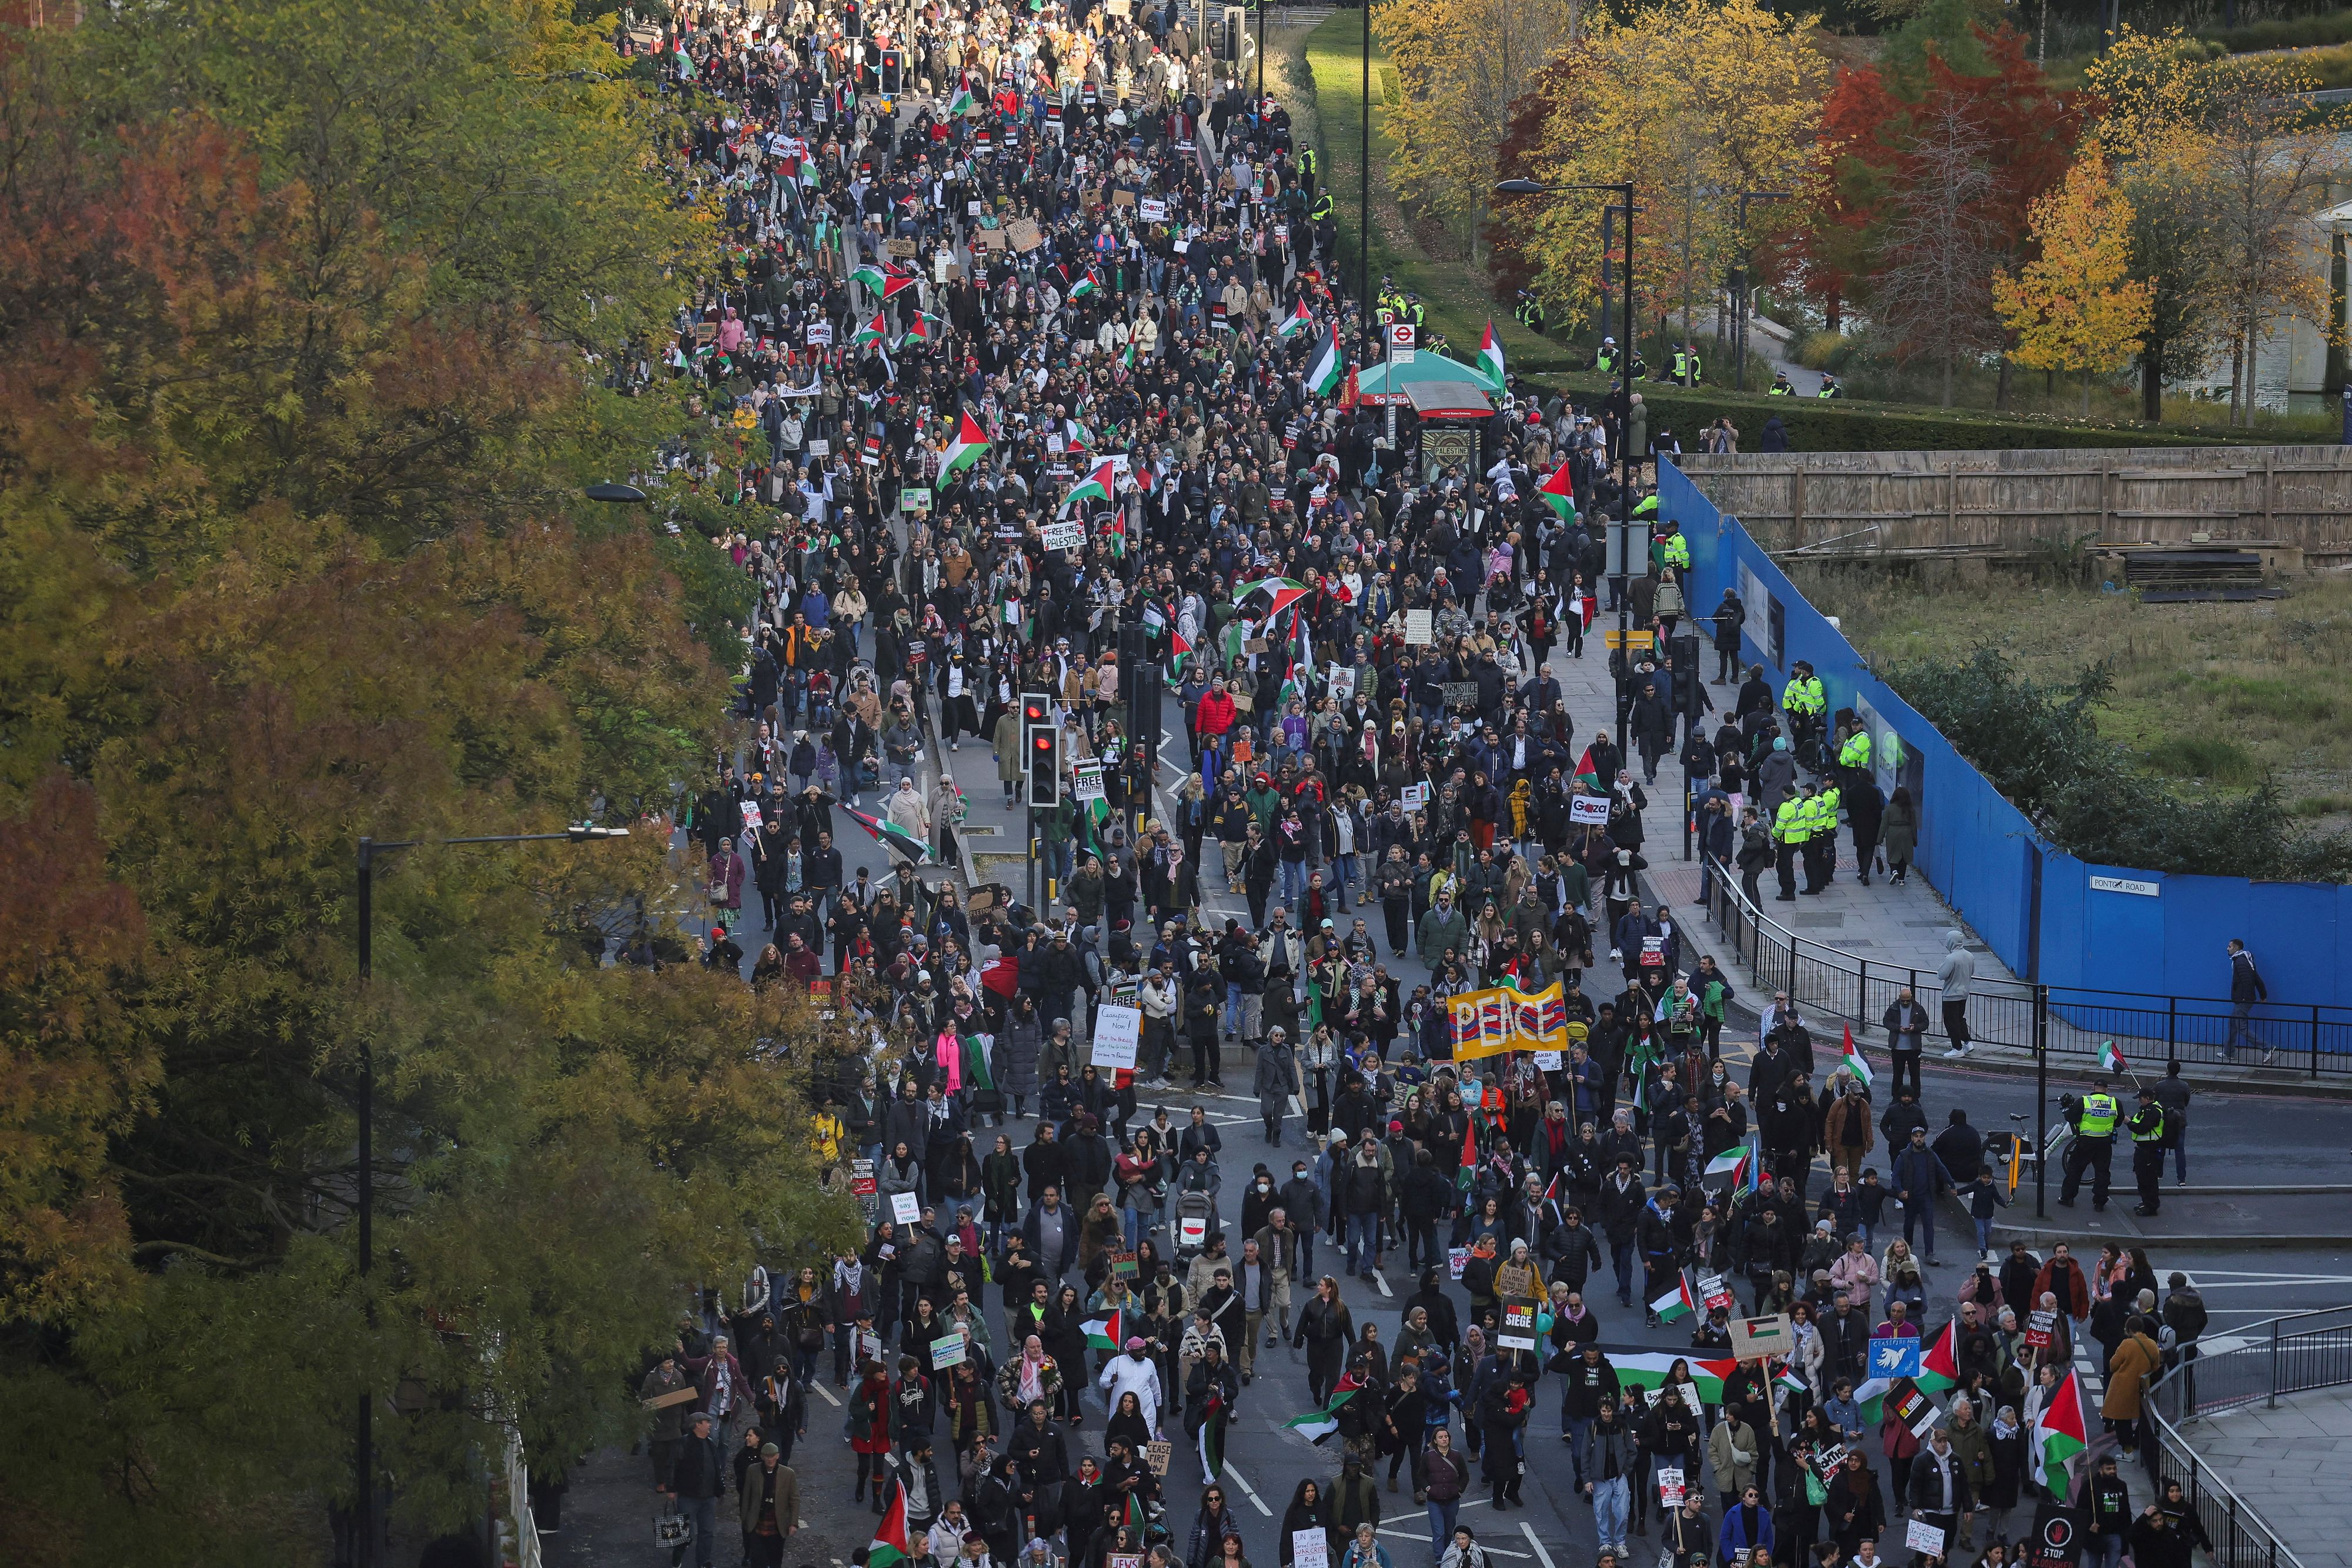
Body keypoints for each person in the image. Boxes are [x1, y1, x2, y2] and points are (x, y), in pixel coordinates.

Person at [669, 1410, 727, 1568]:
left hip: (708, 1498)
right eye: (707, 1422)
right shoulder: (684, 1443)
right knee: (684, 1531)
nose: (710, 1425)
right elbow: (674, 1465)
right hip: (689, 1496)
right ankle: (678, 1555)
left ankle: (704, 1562)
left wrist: (720, 1489)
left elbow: (716, 1467)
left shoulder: (710, 1443)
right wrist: (671, 1488)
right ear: (697, 1425)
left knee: (707, 1532)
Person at [739, 1440, 800, 1567]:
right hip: (757, 1524)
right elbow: (746, 1497)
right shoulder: (752, 1471)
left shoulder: (788, 1474)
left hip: (778, 1526)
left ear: (777, 1456)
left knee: (776, 1561)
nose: (770, 1459)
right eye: (767, 1456)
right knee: (758, 1561)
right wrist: (745, 1519)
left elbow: (794, 1500)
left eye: (772, 1456)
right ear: (762, 1457)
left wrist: (793, 1523)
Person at [2224, 938, 2269, 1061]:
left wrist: (2245, 998)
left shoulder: (2240, 962)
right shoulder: (2245, 961)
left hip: (2243, 1000)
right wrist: (2263, 995)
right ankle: (2228, 1052)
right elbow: (2257, 978)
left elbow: (2249, 981)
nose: (2227, 949)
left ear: (2236, 948)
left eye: (2229, 946)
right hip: (2243, 999)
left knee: (2242, 1028)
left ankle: (2267, 1048)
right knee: (2233, 1023)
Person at [2127, 1087, 2169, 1218]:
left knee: (2148, 1180)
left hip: (2149, 1150)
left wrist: (2129, 1123)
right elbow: (2139, 1120)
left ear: (2146, 1098)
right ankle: (2147, 1202)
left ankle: (2151, 1207)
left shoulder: (2153, 1111)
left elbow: (2142, 1129)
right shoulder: (2149, 1109)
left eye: (2140, 1099)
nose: (2139, 1102)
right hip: (2143, 1149)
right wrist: (2131, 1119)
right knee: (2142, 1177)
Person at [1936, 932, 1973, 1058]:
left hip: (1951, 995)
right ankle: (1968, 1043)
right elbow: (1971, 972)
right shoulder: (1969, 956)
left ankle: (1957, 1048)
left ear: (1951, 941)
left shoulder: (1951, 958)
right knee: (1959, 1019)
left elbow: (1941, 975)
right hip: (1964, 994)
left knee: (1951, 1022)